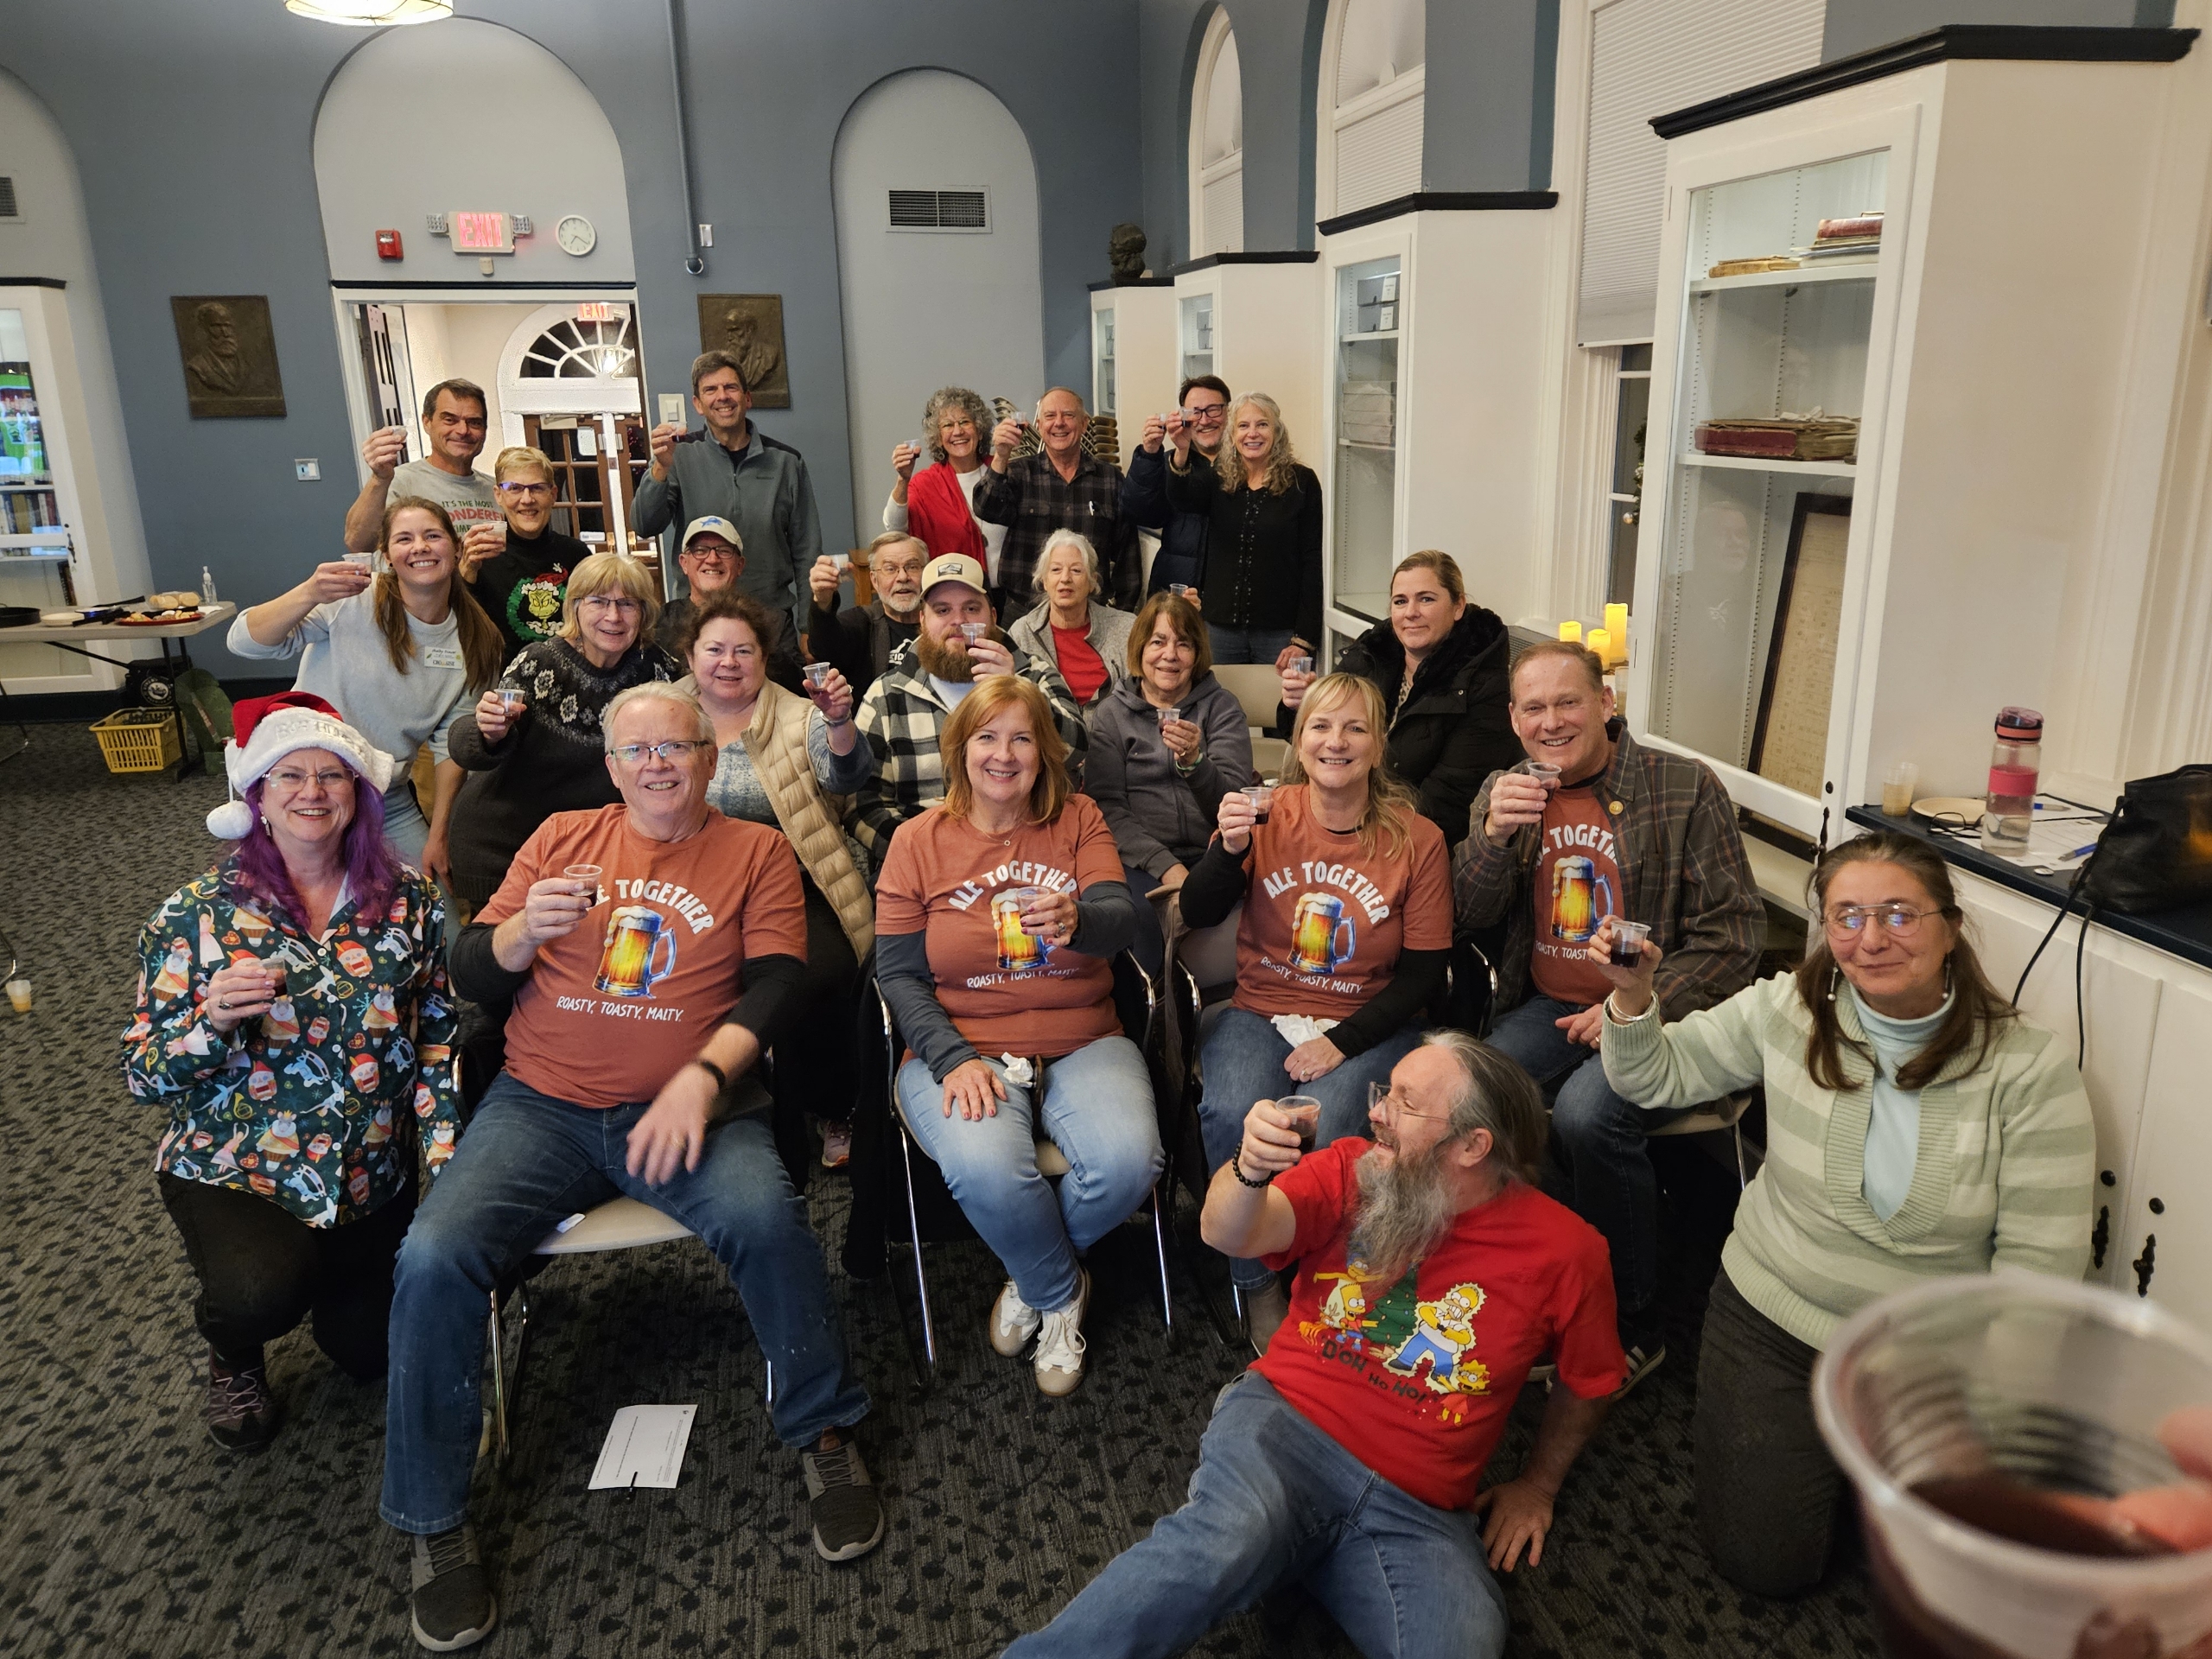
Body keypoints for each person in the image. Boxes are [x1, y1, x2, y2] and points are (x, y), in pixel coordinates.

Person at [385, 683, 883, 1651]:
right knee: (431, 1255)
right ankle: (432, 1523)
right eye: (638, 751)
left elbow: (783, 979)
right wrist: (522, 933)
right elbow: (470, 971)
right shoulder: (561, 839)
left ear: (709, 757)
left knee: (771, 1220)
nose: (659, 763)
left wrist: (704, 1078)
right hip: (542, 1105)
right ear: (612, 769)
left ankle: (822, 1429)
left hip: (698, 1102)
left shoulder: (754, 849)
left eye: (678, 746)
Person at [1002, 1032, 1624, 1659]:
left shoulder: (1569, 1251)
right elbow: (1227, 1231)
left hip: (1420, 1511)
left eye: (1404, 1103)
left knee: (1464, 1641)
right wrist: (1249, 1169)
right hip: (1285, 1432)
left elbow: (1591, 1379)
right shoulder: (1355, 1168)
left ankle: (1295, 1553)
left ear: (1471, 1145)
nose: (1375, 1110)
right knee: (1217, 1548)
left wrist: (1538, 1487)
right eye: (1386, 1092)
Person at [1594, 831, 2095, 1597]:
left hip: (1929, 1360)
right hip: (1774, 1319)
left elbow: (2038, 1276)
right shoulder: (1787, 1007)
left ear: (1950, 927)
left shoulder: (2028, 1068)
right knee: (1765, 1569)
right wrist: (1633, 996)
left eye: (1899, 913)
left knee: (1940, 1585)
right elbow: (1654, 1078)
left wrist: (1984, 1428)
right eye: (1847, 916)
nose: (1871, 939)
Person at [124, 691, 461, 1454]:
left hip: (370, 1172)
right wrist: (210, 1022)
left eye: (332, 776)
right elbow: (142, 1073)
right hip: (240, 1168)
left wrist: (444, 1161)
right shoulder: (193, 916)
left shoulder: (407, 903)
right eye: (290, 777)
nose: (313, 792)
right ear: (257, 800)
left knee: (370, 1354)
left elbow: (438, 1036)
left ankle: (326, 1279)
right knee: (258, 1294)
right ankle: (233, 1349)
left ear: (359, 796)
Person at [1452, 639, 1764, 1391]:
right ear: (1514, 719)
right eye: (1535, 707)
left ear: (1605, 704)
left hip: (1655, 1016)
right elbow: (1468, 912)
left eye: (1569, 702)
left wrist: (1633, 1007)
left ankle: (1630, 1320)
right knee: (1470, 1099)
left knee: (1590, 1116)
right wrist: (1492, 838)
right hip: (1550, 1006)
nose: (1552, 721)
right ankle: (1546, 1283)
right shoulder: (1509, 790)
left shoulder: (1684, 787)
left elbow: (1737, 936)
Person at [875, 675, 1160, 1397]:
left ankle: (1030, 1277)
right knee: (987, 1166)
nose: (1004, 754)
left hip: (1083, 1032)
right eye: (987, 737)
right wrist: (950, 1060)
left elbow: (1118, 918)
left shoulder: (1079, 818)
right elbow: (899, 977)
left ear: (1047, 754)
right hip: (959, 1042)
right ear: (959, 748)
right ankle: (1062, 1291)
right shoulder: (916, 841)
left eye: (1022, 738)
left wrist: (1080, 921)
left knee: (1133, 1161)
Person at [1181, 672, 1452, 1351]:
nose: (1337, 742)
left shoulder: (1418, 839)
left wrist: (1342, 1042)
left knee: (1330, 1126)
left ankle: (1321, 1281)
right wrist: (1230, 849)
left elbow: (1421, 977)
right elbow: (1195, 912)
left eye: (1356, 727)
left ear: (1379, 744)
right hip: (1261, 1006)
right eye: (1322, 728)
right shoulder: (1265, 811)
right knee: (1233, 1113)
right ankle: (1254, 1280)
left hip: (1368, 1018)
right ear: (1298, 743)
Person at [681, 588, 874, 1173]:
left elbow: (847, 776)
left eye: (744, 650)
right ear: (690, 657)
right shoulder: (663, 710)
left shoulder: (797, 714)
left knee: (812, 977)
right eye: (715, 649)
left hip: (794, 880)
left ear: (765, 660)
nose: (729, 662)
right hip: (692, 886)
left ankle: (830, 1106)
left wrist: (839, 721)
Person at [228, 498, 505, 891]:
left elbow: (448, 747)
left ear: (456, 549)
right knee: (295, 906)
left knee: (439, 919)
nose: (420, 547)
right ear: (387, 557)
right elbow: (244, 642)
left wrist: (438, 834)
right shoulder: (352, 600)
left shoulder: (477, 639)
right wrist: (309, 592)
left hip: (383, 799)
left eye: (432, 536)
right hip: (305, 789)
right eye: (404, 539)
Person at [443, 552, 678, 914]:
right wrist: (487, 731)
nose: (613, 617)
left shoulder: (658, 668)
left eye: (627, 604)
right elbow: (467, 746)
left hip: (590, 853)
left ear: (644, 612)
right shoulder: (539, 661)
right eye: (598, 602)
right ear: (574, 608)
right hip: (506, 847)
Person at [848, 553, 1087, 869]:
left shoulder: (1033, 673)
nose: (958, 621)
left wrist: (1018, 690)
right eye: (942, 610)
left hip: (1026, 857)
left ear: (993, 615)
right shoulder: (887, 693)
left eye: (971, 608)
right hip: (922, 864)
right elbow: (861, 806)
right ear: (922, 620)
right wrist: (928, 855)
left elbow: (1076, 753)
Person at [1281, 550, 1515, 850]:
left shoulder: (1486, 688)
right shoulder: (1371, 656)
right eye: (1400, 601)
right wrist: (1302, 706)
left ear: (1458, 606)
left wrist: (1352, 834)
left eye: (1426, 599)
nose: (1410, 612)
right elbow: (1317, 746)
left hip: (1413, 845)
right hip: (1342, 823)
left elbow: (1450, 802)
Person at [1083, 592, 1254, 974]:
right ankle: (1153, 1015)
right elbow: (1108, 807)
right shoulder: (1112, 713)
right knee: (1134, 914)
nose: (1170, 655)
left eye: (1183, 643)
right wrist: (1166, 867)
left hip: (1215, 853)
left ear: (1198, 653)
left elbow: (1233, 806)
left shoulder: (1221, 707)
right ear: (1140, 649)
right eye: (1158, 641)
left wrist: (1195, 764)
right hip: (1140, 857)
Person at [635, 350, 824, 637]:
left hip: (770, 620)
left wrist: (809, 627)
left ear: (747, 398)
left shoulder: (787, 462)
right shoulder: (678, 456)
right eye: (710, 390)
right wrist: (660, 469)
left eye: (730, 387)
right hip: (699, 622)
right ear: (698, 404)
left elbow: (806, 550)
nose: (722, 397)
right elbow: (644, 525)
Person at [1163, 391, 1321, 668]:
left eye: (1262, 424)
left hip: (1280, 633)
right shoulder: (1219, 477)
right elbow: (1182, 499)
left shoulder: (1302, 482)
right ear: (1232, 434)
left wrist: (1304, 639)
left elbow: (1312, 559)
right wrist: (1182, 450)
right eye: (1243, 426)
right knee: (1219, 707)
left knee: (1281, 708)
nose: (1253, 434)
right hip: (1220, 630)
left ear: (1277, 432)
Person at [972, 387, 1141, 610]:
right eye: (1050, 416)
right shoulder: (1019, 473)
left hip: (1089, 613)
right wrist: (1001, 456)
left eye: (1068, 415)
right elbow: (985, 508)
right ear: (1039, 425)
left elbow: (1127, 556)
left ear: (1084, 423)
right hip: (1025, 610)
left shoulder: (1111, 480)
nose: (1059, 423)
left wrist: (1123, 615)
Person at [343, 380, 501, 555]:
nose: (463, 430)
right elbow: (358, 543)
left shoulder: (499, 490)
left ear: (485, 429)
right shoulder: (398, 481)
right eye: (449, 420)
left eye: (474, 423)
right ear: (427, 422)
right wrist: (379, 479)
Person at [655, 514, 804, 690]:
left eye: (724, 551)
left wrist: (758, 640)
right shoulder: (657, 622)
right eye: (700, 550)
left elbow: (798, 686)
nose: (712, 559)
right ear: (684, 563)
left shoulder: (773, 622)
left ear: (740, 565)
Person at [467, 445, 588, 658]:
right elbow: (458, 624)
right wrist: (466, 574)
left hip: (568, 676)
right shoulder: (480, 556)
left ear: (553, 494)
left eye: (537, 488)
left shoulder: (576, 554)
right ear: (498, 495)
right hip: (502, 683)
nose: (527, 499)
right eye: (514, 488)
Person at [881, 385, 1008, 582]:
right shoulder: (926, 484)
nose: (958, 431)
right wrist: (903, 480)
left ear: (980, 431)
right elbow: (895, 527)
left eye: (965, 422)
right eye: (948, 425)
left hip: (1013, 597)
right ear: (938, 438)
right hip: (957, 593)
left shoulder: (1004, 470)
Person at [1122, 374, 1229, 598]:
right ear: (1182, 417)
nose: (1205, 420)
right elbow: (1141, 514)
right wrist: (1149, 454)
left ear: (1229, 412)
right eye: (1195, 412)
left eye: (1214, 410)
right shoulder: (1171, 463)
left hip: (1228, 597)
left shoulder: (1247, 465)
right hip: (1175, 590)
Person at [1005, 529, 1135, 709]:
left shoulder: (1126, 628)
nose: (1065, 578)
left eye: (1076, 570)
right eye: (1056, 570)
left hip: (1112, 735)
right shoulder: (1021, 633)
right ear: (1044, 580)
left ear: (1092, 582)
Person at [806, 530, 925, 699]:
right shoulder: (862, 622)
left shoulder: (943, 621)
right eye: (890, 569)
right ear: (874, 580)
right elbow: (823, 648)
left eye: (912, 567)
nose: (903, 577)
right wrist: (823, 600)